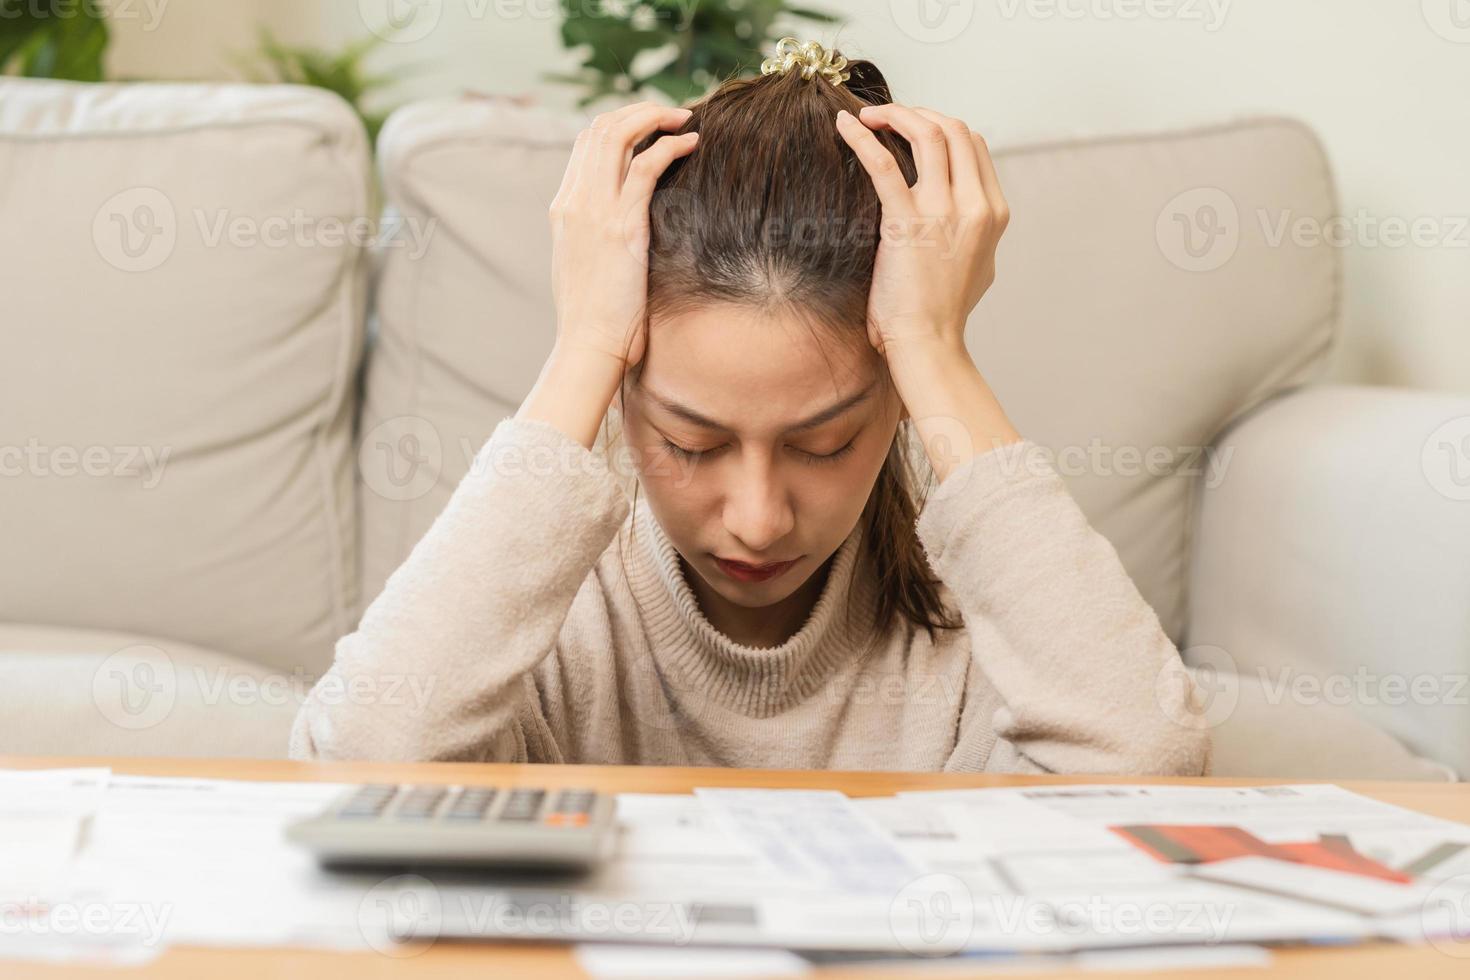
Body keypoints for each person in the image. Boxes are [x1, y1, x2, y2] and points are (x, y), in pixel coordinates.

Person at [289, 40, 1212, 775]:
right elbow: (362, 755)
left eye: (826, 443)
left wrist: (935, 350)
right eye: (690, 443)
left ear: (899, 403)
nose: (759, 521)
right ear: (626, 396)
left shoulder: (1001, 633)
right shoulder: (538, 619)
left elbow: (1149, 760)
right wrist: (582, 348)